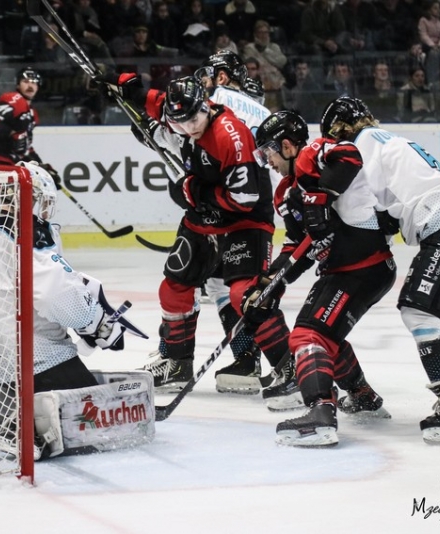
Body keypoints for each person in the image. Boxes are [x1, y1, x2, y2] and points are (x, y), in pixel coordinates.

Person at [0, 161, 149, 461]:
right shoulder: (26, 229)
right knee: (100, 415)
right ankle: (27, 428)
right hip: (35, 362)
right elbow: (56, 295)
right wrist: (95, 322)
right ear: (34, 198)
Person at [321, 96, 440, 444]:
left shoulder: (357, 148)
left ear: (339, 129)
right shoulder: (388, 139)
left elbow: (362, 213)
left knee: (417, 310)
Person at [97, 73, 293, 395]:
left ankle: (289, 365)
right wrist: (124, 84)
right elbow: (152, 100)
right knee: (174, 287)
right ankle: (177, 363)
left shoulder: (230, 136)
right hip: (203, 217)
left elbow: (245, 198)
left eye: (193, 120)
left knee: (245, 294)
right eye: (180, 122)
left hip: (245, 220)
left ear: (205, 106)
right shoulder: (181, 114)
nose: (189, 128)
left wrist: (195, 191)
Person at [252, 109, 395, 447]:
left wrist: (319, 198)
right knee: (324, 333)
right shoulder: (285, 193)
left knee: (307, 336)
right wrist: (271, 281)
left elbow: (348, 153)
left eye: (268, 152)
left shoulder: (312, 154)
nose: (267, 161)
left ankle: (320, 413)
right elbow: (297, 245)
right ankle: (362, 396)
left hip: (362, 265)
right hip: (348, 270)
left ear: (287, 146)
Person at [192, 50, 280, 396]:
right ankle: (246, 359)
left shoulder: (217, 101)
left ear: (222, 77)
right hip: (251, 199)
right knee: (220, 284)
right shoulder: (259, 107)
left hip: (237, 204)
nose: (203, 83)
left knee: (247, 291)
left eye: (208, 76)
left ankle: (287, 364)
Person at [0, 67, 61, 187]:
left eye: (34, 82)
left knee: (25, 194)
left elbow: (24, 147)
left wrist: (42, 168)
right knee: (15, 195)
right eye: (26, 81)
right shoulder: (14, 99)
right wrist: (12, 133)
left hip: (8, 161)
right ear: (18, 85)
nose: (30, 85)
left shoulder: (33, 114)